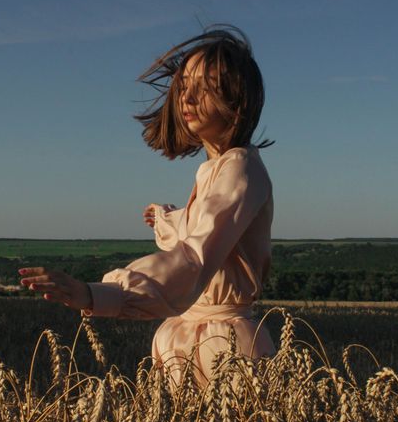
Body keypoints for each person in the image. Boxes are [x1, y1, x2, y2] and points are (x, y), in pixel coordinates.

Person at [19, 26, 276, 389]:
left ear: (238, 98)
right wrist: (167, 220)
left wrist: (101, 293)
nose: (187, 98)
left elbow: (195, 257)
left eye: (205, 86)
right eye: (184, 85)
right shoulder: (225, 168)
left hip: (224, 349)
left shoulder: (239, 168)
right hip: (197, 341)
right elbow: (206, 229)